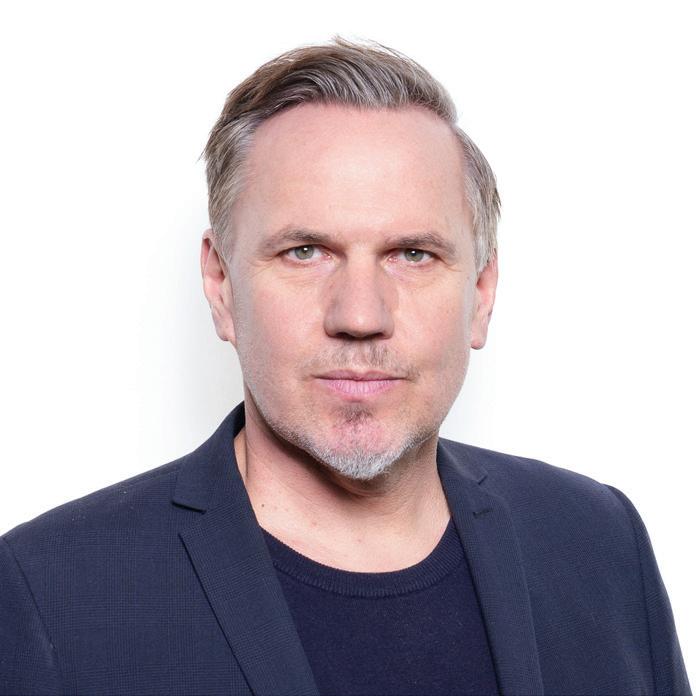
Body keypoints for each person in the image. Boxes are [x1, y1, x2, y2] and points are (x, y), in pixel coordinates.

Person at [0, 37, 690, 696]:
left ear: (481, 294)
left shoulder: (598, 541)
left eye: (413, 254)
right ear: (221, 285)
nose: (360, 314)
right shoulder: (52, 593)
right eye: (305, 252)